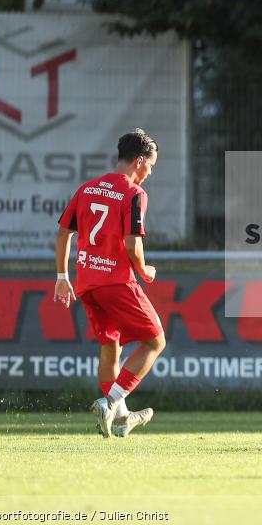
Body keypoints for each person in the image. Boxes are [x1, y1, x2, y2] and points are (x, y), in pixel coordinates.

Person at [53, 128, 166, 438]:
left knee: (110, 347)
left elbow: (64, 233)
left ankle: (120, 419)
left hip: (87, 283)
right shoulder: (134, 193)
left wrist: (62, 277)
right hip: (117, 281)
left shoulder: (87, 188)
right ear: (139, 161)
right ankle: (111, 402)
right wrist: (145, 271)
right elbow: (132, 246)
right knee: (156, 341)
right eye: (150, 167)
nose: (149, 174)